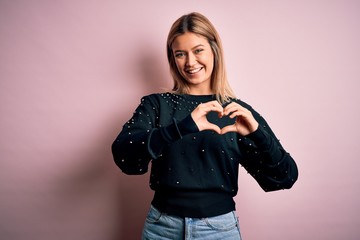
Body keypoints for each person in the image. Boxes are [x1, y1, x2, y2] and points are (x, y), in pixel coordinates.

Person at [112, 12, 298, 240]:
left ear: (214, 51)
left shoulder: (235, 112)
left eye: (198, 50)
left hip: (219, 230)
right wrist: (183, 126)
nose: (190, 62)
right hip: (162, 228)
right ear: (173, 58)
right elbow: (125, 155)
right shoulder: (156, 105)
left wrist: (258, 134)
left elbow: (285, 176)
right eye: (180, 54)